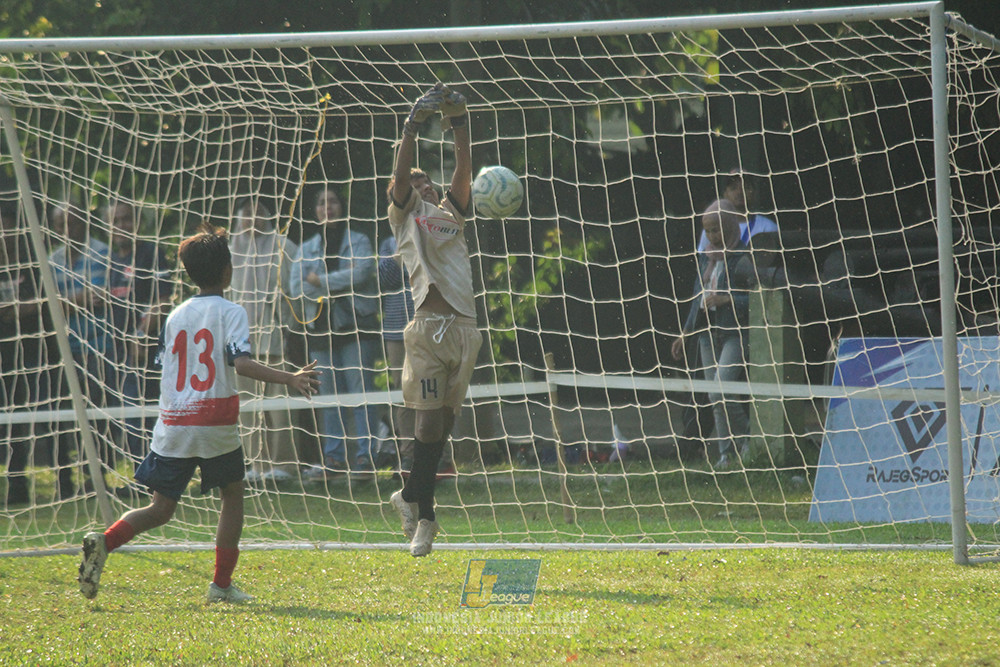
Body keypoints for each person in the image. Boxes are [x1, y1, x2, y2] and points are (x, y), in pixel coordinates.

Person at [77, 221, 319, 603]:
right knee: (233, 497)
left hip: (174, 422)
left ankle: (104, 542)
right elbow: (241, 364)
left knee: (160, 509)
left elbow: (166, 363)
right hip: (215, 421)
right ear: (228, 271)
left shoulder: (175, 315)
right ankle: (221, 585)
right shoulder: (232, 311)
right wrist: (290, 378)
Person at [386, 82, 482, 557]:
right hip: (426, 332)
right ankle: (426, 518)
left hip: (465, 331)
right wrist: (413, 125)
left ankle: (409, 498)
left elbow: (464, 169)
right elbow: (400, 176)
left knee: (442, 427)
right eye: (418, 184)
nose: (424, 188)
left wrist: (459, 122)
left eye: (428, 184)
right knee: (425, 428)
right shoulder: (404, 216)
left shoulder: (452, 214)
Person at [289, 187, 380, 482]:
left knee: (360, 393)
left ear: (342, 206)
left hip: (356, 327)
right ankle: (334, 458)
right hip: (321, 330)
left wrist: (321, 280)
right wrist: (336, 282)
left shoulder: (359, 240)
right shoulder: (305, 248)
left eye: (333, 201)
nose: (327, 207)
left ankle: (366, 457)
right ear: (315, 210)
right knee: (329, 396)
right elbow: (296, 288)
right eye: (321, 202)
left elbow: (362, 273)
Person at [672, 199, 751, 470]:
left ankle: (748, 439)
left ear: (729, 226)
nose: (712, 236)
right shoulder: (705, 255)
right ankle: (725, 454)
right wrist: (685, 333)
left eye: (717, 230)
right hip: (707, 333)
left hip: (734, 333)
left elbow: (757, 299)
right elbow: (698, 296)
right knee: (713, 397)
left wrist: (726, 300)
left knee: (720, 391)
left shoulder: (744, 256)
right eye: (707, 230)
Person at [229, 197, 299, 484]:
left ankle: (284, 465)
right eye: (247, 213)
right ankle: (257, 464)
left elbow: (294, 294)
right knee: (247, 407)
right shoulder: (229, 251)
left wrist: (287, 327)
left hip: (275, 338)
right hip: (240, 345)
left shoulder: (285, 247)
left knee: (280, 407)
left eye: (258, 213)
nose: (252, 219)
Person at [48, 202, 115, 498]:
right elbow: (49, 306)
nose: (67, 230)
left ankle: (97, 480)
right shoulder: (52, 260)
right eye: (60, 225)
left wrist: (67, 301)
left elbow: (104, 296)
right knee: (65, 418)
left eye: (72, 223)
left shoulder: (104, 253)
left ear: (84, 223)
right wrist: (80, 298)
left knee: (100, 416)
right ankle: (65, 482)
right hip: (64, 351)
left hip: (100, 347)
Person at [106, 200, 173, 467]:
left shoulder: (151, 253)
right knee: (128, 415)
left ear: (138, 222)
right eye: (115, 221)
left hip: (147, 348)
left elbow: (165, 299)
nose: (121, 226)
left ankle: (156, 475)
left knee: (149, 413)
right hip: (116, 349)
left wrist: (142, 333)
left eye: (126, 219)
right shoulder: (110, 259)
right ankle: (139, 475)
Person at [697, 168, 778, 252]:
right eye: (733, 188)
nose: (740, 192)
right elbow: (702, 260)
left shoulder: (767, 227)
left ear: (754, 193)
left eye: (745, 187)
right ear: (725, 194)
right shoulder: (713, 225)